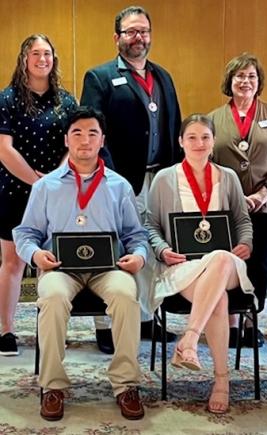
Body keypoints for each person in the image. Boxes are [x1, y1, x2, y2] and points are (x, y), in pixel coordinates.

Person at [13, 107, 147, 421]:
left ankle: (126, 384)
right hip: (59, 268)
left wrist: (138, 255)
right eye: (77, 133)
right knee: (53, 297)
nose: (85, 140)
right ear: (66, 140)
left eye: (92, 133)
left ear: (102, 140)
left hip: (109, 268)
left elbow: (136, 234)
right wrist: (35, 254)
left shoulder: (119, 186)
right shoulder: (45, 186)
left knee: (126, 296)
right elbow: (25, 233)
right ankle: (53, 386)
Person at [80, 5, 182, 352]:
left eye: (143, 31)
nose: (138, 38)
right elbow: (92, 131)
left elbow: (173, 126)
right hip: (117, 180)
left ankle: (146, 318)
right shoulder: (100, 77)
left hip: (158, 178)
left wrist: (176, 173)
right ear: (117, 38)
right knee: (114, 247)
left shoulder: (163, 77)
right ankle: (106, 325)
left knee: (151, 248)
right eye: (131, 32)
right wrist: (106, 176)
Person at [145, 114, 254, 414]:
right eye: (191, 137)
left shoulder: (228, 177)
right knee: (217, 301)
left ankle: (190, 338)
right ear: (181, 142)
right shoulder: (164, 179)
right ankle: (221, 380)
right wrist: (163, 250)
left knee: (219, 258)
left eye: (205, 137)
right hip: (182, 266)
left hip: (227, 264)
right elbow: (150, 225)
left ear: (213, 141)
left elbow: (242, 221)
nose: (199, 143)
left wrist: (245, 243)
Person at [0, 34, 77, 356]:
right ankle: (6, 330)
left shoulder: (66, 101)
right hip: (14, 189)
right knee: (13, 262)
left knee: (52, 262)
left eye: (47, 53)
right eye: (36, 53)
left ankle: (50, 327)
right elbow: (4, 149)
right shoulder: (7, 98)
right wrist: (35, 181)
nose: (42, 59)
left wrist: (54, 180)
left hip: (56, 192)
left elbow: (74, 145)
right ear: (24, 59)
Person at [208, 53, 267, 348]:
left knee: (260, 264)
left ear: (259, 83)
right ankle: (230, 320)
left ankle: (251, 320)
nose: (245, 81)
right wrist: (232, 195)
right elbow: (207, 160)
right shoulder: (214, 118)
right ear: (229, 82)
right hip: (226, 205)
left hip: (265, 203)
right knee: (228, 261)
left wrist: (264, 192)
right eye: (239, 76)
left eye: (251, 77)